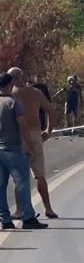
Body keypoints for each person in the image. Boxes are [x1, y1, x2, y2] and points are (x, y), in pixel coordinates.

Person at [6, 68, 57, 220]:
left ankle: (19, 210)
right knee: (40, 175)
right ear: (22, 77)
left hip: (19, 136)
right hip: (35, 134)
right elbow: (50, 110)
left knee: (20, 176)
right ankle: (48, 208)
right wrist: (48, 130)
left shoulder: (11, 95)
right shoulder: (36, 93)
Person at [0, 72, 48, 230]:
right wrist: (27, 146)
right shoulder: (13, 103)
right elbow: (23, 126)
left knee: (1, 186)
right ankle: (28, 217)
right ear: (9, 84)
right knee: (21, 183)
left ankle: (5, 219)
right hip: (13, 148)